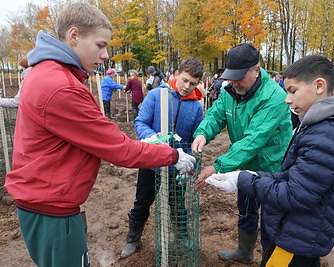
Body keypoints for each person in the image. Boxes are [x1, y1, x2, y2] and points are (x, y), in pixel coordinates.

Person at [4, 3, 195, 267]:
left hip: (45, 199)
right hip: (51, 206)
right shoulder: (62, 88)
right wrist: (172, 155)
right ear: (74, 36)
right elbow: (119, 149)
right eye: (100, 45)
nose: (105, 55)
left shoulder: (47, 74)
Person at [205, 55, 334, 267]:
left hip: (296, 239)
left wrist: (244, 180)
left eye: (293, 91)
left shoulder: (328, 135)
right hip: (295, 233)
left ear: (318, 86)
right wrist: (254, 175)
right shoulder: (318, 127)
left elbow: (295, 194)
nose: (287, 99)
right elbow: (294, 176)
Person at [193, 43, 292, 264]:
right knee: (246, 207)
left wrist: (219, 165)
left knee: (272, 218)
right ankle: (245, 252)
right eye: (231, 77)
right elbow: (216, 114)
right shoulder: (231, 90)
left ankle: (270, 260)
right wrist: (203, 134)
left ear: (256, 70)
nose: (234, 82)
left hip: (271, 166)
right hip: (244, 162)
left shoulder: (274, 97)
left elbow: (253, 140)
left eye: (239, 77)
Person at [121, 57, 204, 258]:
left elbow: (196, 138)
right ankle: (133, 236)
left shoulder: (196, 107)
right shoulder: (157, 96)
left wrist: (190, 160)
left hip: (177, 165)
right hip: (150, 163)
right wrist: (152, 138)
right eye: (184, 80)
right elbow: (140, 122)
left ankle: (182, 234)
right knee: (142, 201)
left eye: (192, 83)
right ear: (176, 74)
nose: (187, 86)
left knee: (177, 202)